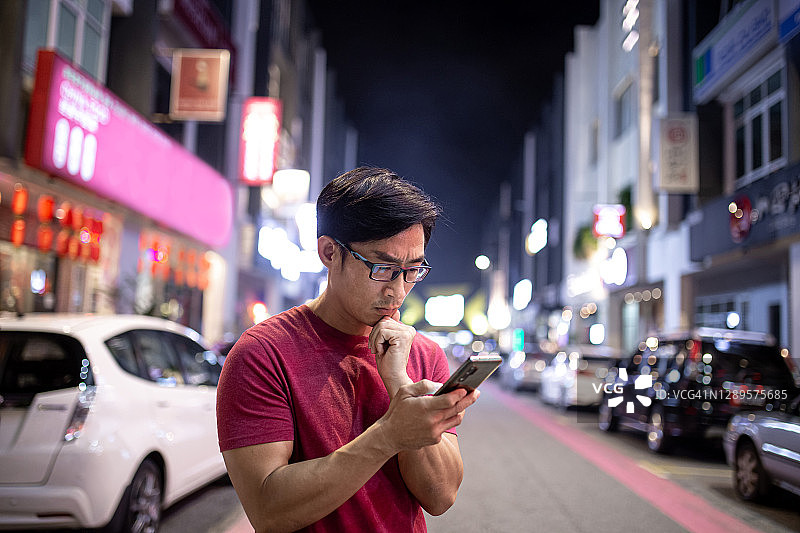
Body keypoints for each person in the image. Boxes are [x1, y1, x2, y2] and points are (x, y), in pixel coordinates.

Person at [216, 167, 479, 533]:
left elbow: (440, 496)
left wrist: (399, 384)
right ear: (329, 252)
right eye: (382, 267)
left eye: (413, 269)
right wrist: (389, 435)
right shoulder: (263, 355)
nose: (398, 290)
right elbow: (268, 510)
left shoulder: (424, 355)